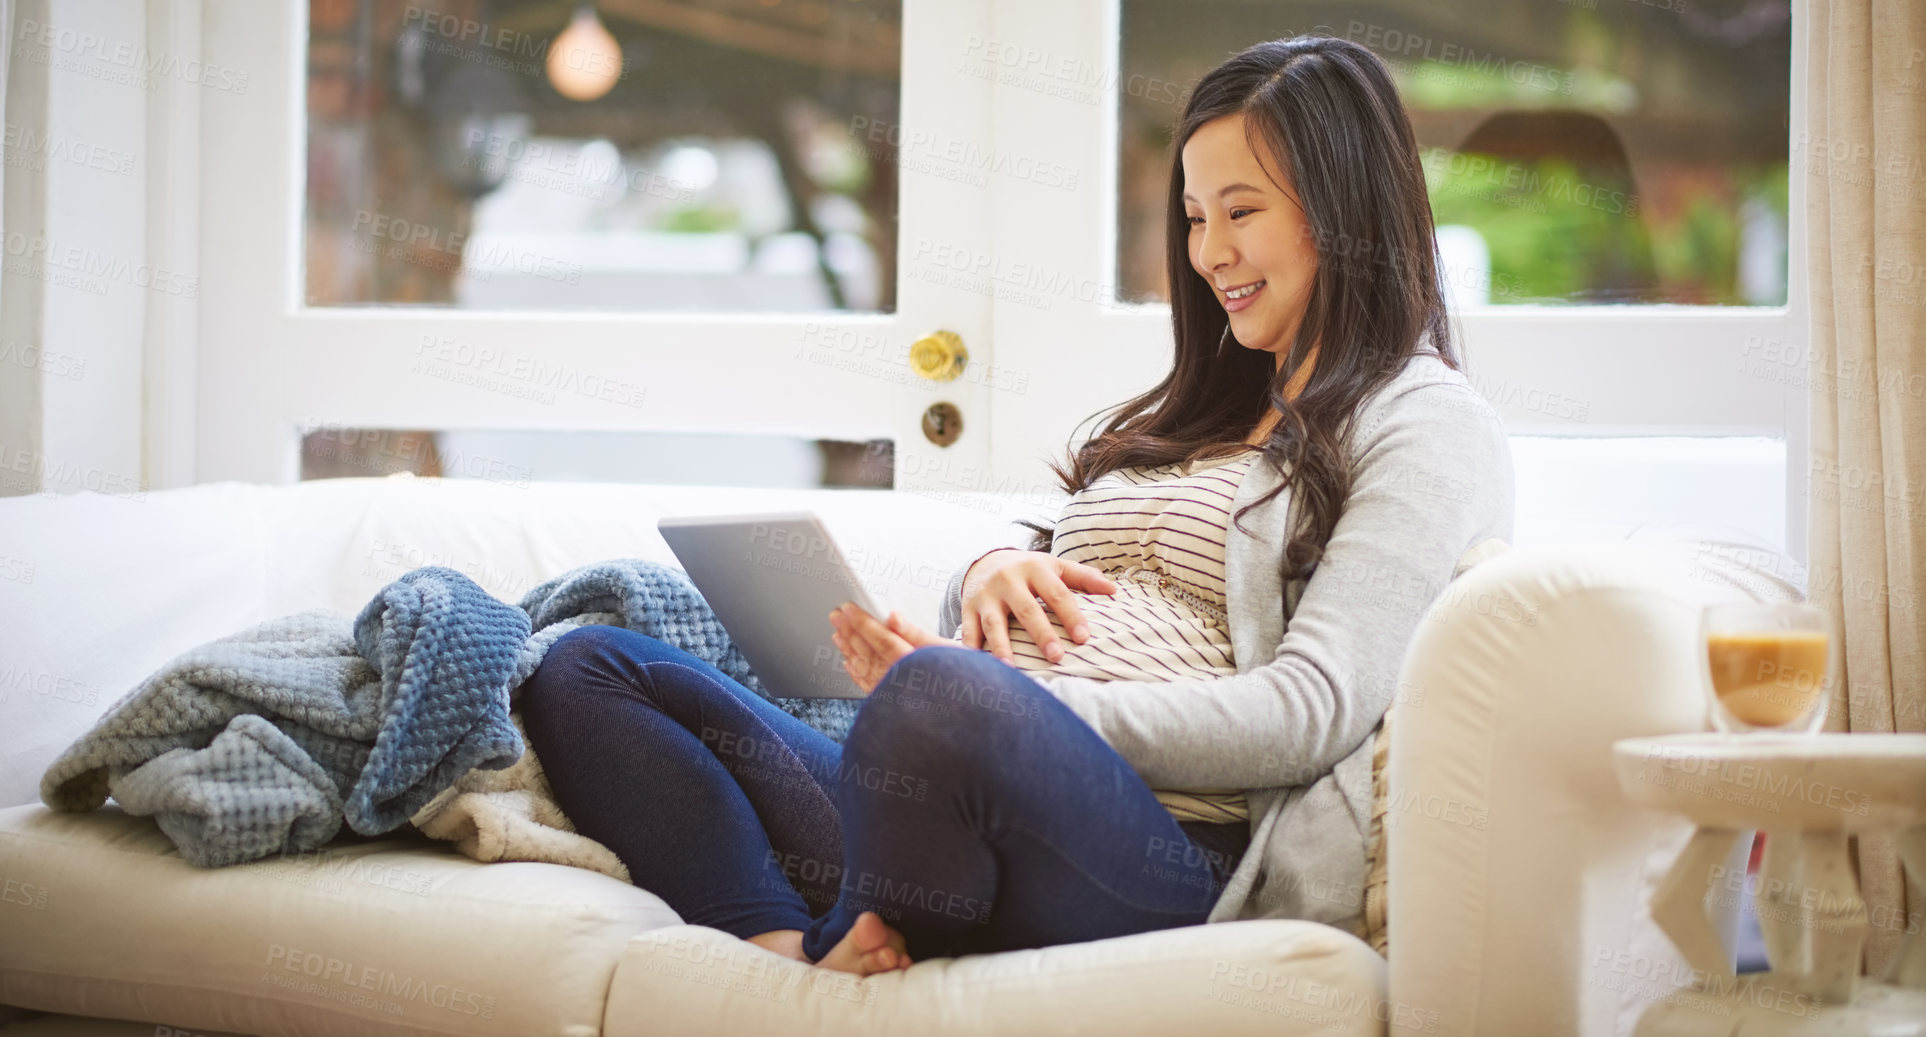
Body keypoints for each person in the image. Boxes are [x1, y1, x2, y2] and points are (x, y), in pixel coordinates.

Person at [517, 34, 1513, 977]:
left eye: (1241, 211)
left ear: (1345, 209)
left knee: (935, 701)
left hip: (1158, 850)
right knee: (587, 666)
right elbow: (1064, 596)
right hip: (952, 800)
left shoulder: (1423, 422)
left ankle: (849, 920)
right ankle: (793, 947)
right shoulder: (1209, 405)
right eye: (1197, 217)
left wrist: (1011, 703)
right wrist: (987, 572)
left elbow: (1309, 712)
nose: (1209, 254)